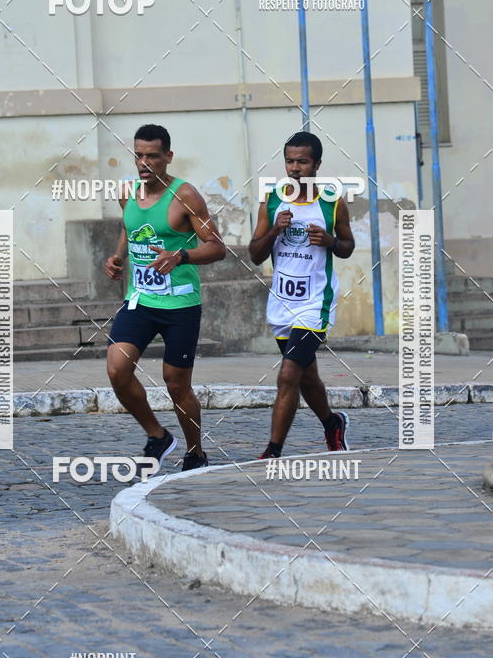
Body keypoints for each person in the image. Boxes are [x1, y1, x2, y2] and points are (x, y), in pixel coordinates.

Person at [105, 124, 226, 477]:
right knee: (117, 369)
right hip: (140, 299)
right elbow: (129, 226)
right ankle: (157, 436)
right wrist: (118, 256)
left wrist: (181, 256)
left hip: (180, 305)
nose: (144, 163)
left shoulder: (185, 196)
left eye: (152, 156)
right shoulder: (127, 192)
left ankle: (195, 452)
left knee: (176, 384)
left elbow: (217, 247)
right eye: (139, 155)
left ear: (168, 157)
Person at [249, 131, 355, 456]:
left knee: (288, 374)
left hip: (314, 303)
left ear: (317, 164)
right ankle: (332, 423)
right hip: (282, 303)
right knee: (306, 376)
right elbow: (255, 254)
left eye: (303, 162)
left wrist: (330, 241)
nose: (295, 168)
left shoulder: (332, 202)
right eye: (290, 161)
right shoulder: (272, 201)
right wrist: (274, 230)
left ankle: (273, 450)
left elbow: (348, 246)